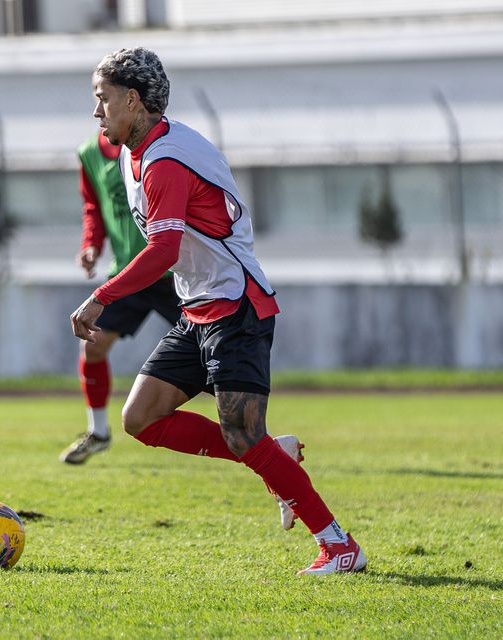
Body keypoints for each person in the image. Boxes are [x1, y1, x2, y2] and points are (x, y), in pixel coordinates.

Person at [69, 47, 367, 575]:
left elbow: (162, 251)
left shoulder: (164, 160)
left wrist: (101, 296)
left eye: (103, 99)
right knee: (141, 418)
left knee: (242, 435)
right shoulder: (138, 152)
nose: (97, 111)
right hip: (198, 309)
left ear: (132, 102)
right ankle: (276, 454)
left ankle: (339, 545)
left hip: (237, 309)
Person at [59, 130, 181, 465]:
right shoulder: (89, 153)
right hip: (128, 275)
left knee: (212, 352)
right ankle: (98, 432)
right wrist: (91, 245)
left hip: (172, 272)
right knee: (93, 345)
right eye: (98, 99)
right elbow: (93, 207)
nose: (100, 108)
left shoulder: (152, 148)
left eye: (105, 98)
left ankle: (251, 434)